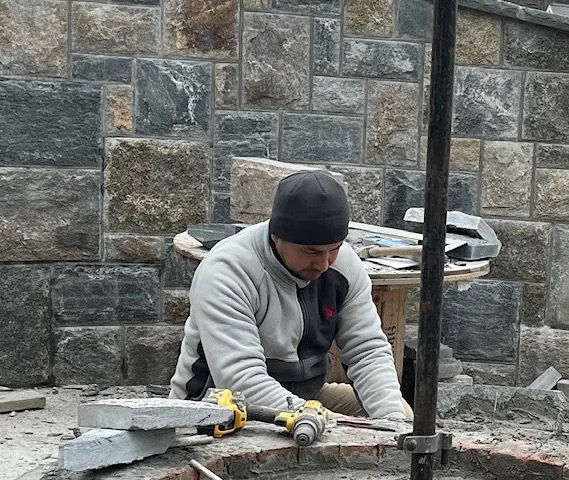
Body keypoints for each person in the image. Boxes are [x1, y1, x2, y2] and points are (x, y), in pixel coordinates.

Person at [169, 168, 412, 429]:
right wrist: (315, 420)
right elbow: (241, 379)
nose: (324, 264)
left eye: (334, 249)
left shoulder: (344, 266)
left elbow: (368, 351)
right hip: (219, 407)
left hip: (306, 398)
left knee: (401, 414)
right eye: (311, 251)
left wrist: (391, 424)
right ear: (277, 236)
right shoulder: (227, 271)